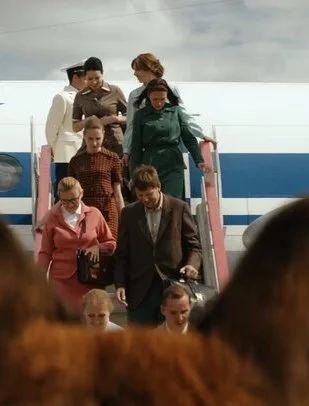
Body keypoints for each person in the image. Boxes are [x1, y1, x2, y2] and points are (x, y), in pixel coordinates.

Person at [113, 165, 202, 326]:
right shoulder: (129, 213)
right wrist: (120, 284)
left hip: (173, 286)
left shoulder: (179, 208)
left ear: (158, 187)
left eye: (149, 195)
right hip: (140, 291)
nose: (145, 199)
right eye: (140, 195)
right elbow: (122, 254)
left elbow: (194, 246)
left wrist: (192, 265)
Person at [36, 177, 116, 314]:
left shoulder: (94, 214)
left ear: (81, 194)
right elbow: (45, 252)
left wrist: (98, 247)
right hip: (61, 282)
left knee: (90, 319)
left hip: (91, 279)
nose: (70, 205)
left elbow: (111, 243)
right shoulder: (52, 218)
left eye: (74, 200)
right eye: (65, 201)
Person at [123, 52, 214, 168]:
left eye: (137, 70)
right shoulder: (134, 95)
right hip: (147, 151)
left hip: (170, 150)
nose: (134, 73)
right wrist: (127, 150)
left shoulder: (170, 89)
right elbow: (131, 124)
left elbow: (183, 115)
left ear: (148, 69)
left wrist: (201, 134)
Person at [128, 78, 210, 200]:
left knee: (173, 199)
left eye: (162, 99)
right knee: (152, 199)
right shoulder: (140, 115)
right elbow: (136, 146)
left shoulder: (175, 111)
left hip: (173, 163)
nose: (159, 103)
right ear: (148, 96)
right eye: (155, 99)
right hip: (150, 163)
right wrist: (134, 174)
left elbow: (188, 138)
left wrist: (199, 160)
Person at [45, 60, 86, 202]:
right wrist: (56, 150)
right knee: (65, 189)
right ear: (75, 77)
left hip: (82, 152)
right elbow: (52, 128)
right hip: (66, 153)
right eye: (85, 78)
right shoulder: (63, 97)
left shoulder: (85, 97)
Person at [71, 57, 128, 157]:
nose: (94, 82)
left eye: (97, 78)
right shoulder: (80, 96)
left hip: (115, 144)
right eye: (90, 79)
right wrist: (89, 121)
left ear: (102, 73)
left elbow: (130, 117)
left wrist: (114, 119)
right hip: (91, 146)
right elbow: (75, 127)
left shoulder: (115, 91)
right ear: (85, 77)